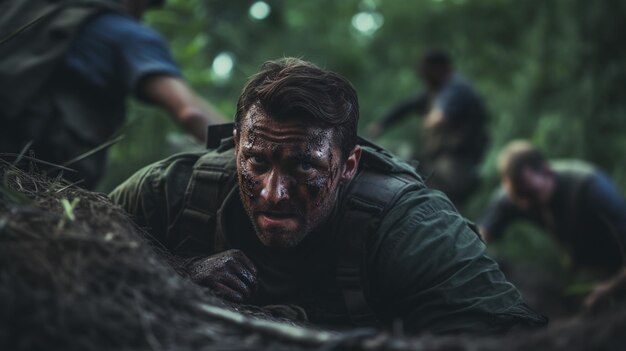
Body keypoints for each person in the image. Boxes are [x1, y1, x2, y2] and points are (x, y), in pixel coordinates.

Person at [110, 58, 546, 334]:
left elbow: (505, 336)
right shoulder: (173, 191)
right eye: (257, 161)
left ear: (349, 165)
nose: (273, 192)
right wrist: (178, 268)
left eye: (304, 166)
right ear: (237, 144)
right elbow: (70, 236)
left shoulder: (411, 226)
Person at [0, 0, 225, 189]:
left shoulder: (31, 11)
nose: (143, 15)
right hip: (38, 168)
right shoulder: (128, 34)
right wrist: (249, 145)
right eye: (146, 6)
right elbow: (191, 113)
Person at [479, 140, 626, 278]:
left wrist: (608, 289)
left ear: (547, 171)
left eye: (530, 194)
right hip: (583, 269)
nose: (524, 204)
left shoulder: (591, 188)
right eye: (517, 196)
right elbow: (482, 235)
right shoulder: (515, 196)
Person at [368, 50, 488, 206]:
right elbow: (406, 107)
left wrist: (429, 120)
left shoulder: (456, 87)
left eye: (427, 71)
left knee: (437, 203)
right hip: (441, 162)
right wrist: (381, 124)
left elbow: (439, 118)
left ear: (440, 68)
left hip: (455, 165)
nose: (424, 76)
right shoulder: (435, 91)